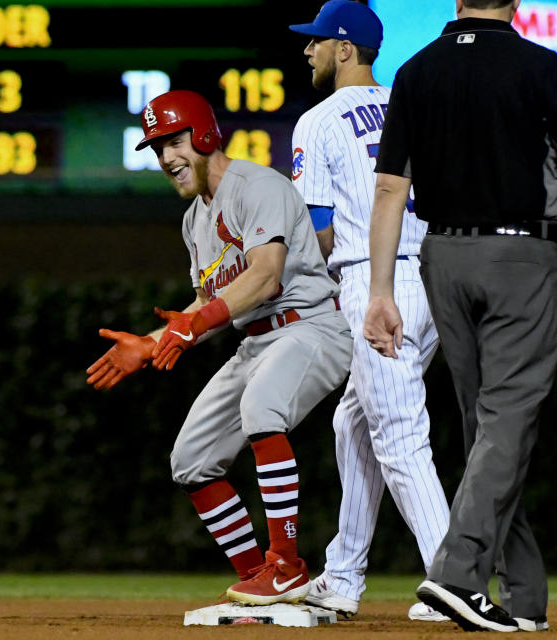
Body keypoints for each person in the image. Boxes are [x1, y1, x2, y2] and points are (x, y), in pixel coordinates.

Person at [86, 89, 352, 604]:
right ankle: (259, 579)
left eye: (173, 141)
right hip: (256, 342)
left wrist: (196, 322)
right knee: (190, 460)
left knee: (262, 408)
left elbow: (266, 277)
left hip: (310, 326)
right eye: (157, 148)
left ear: (203, 134)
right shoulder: (195, 220)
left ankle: (287, 566)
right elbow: (208, 301)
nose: (166, 157)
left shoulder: (258, 186)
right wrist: (152, 342)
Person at [365, 0, 557, 632]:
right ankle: (457, 576)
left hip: (440, 255)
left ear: (456, 2)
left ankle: (524, 597)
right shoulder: (541, 66)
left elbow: (391, 187)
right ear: (517, 4)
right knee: (506, 420)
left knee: (489, 428)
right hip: (520, 256)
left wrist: (380, 291)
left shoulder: (416, 71)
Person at [286, 0, 450, 622]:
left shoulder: (320, 120)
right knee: (352, 421)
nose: (309, 50)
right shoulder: (414, 108)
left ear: (345, 48)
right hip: (432, 278)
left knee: (401, 437)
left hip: (373, 283)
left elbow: (321, 230)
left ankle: (452, 576)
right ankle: (343, 575)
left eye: (318, 41)